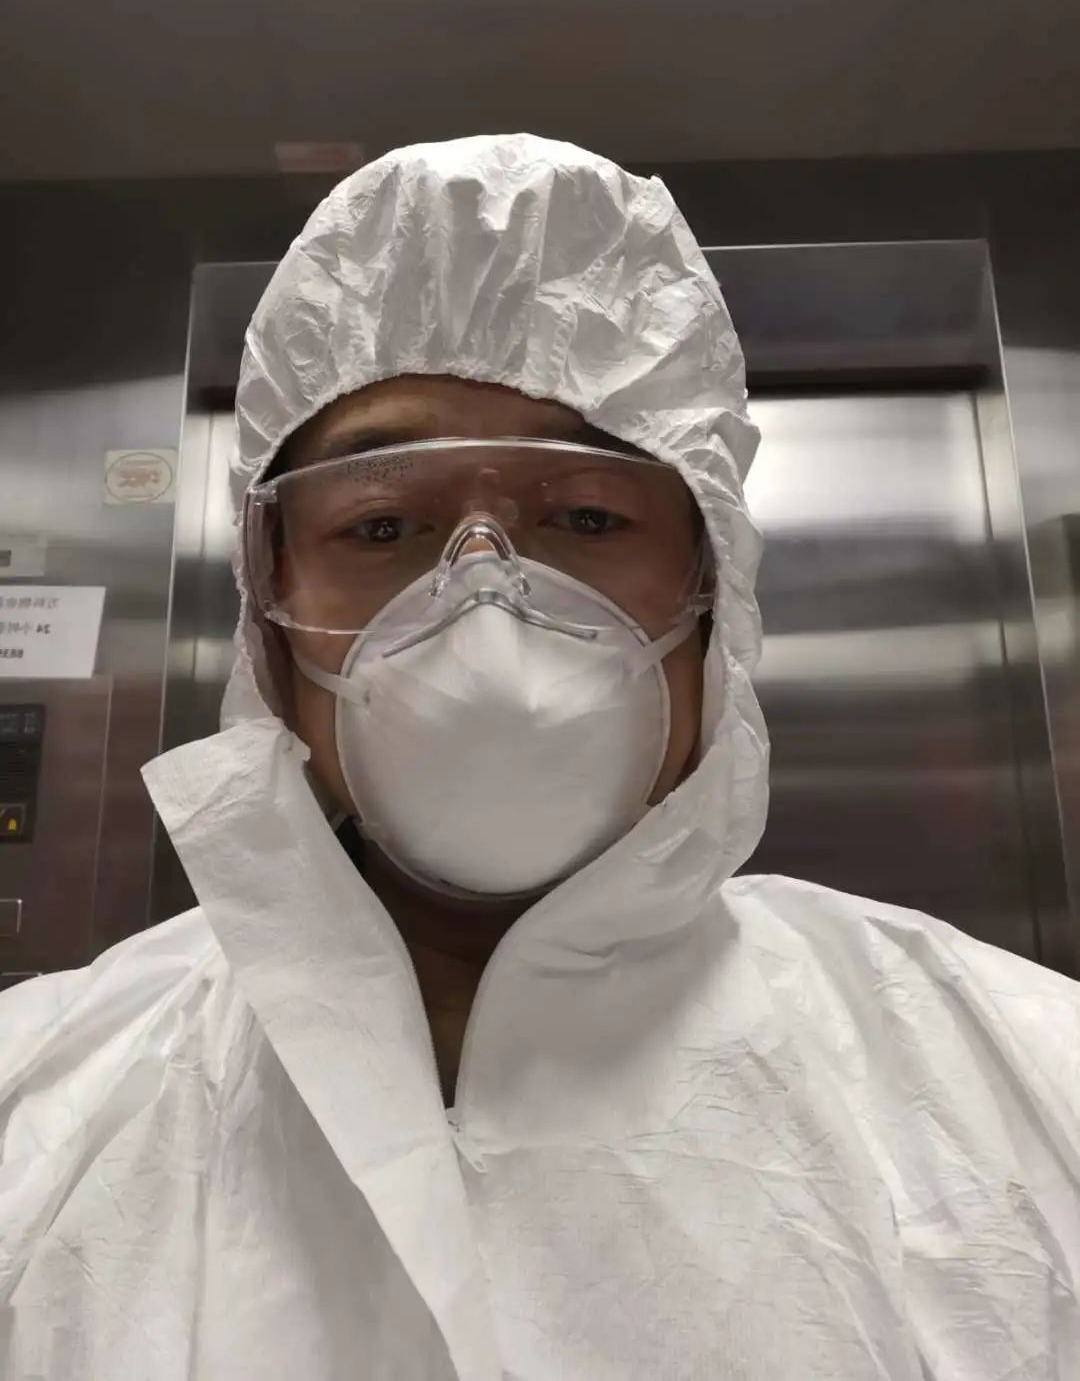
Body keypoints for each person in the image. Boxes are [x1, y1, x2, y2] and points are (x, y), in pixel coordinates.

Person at [1, 134, 1078, 1380]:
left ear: (714, 596)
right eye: (383, 525)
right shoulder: (39, 1107)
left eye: (587, 516)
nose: (487, 609)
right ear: (266, 612)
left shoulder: (1020, 1083)